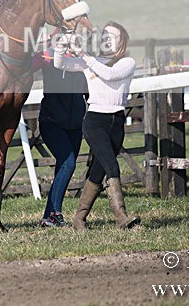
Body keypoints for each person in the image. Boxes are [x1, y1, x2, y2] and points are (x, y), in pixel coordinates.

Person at [54, 21, 140, 230]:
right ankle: (121, 218)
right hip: (95, 121)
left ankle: (78, 219)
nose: (106, 39)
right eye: (104, 35)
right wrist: (61, 45)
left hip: (116, 122)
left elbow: (108, 74)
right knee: (112, 166)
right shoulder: (90, 62)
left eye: (112, 36)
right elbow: (60, 64)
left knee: (97, 173)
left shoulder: (127, 62)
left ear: (121, 41)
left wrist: (83, 54)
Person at [32, 29, 88, 228]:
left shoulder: (81, 61)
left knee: (63, 168)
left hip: (76, 123)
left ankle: (49, 217)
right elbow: (28, 65)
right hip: (51, 121)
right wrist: (41, 46)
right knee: (69, 163)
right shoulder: (47, 57)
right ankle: (55, 214)